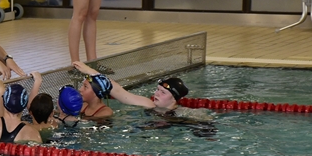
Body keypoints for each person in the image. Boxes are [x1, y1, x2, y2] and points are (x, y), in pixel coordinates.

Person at [73, 61, 210, 120]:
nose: (156, 94)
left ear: (174, 99)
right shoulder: (149, 104)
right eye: (157, 89)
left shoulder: (183, 113)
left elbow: (205, 119)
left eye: (163, 92)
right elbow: (119, 92)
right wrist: (90, 71)